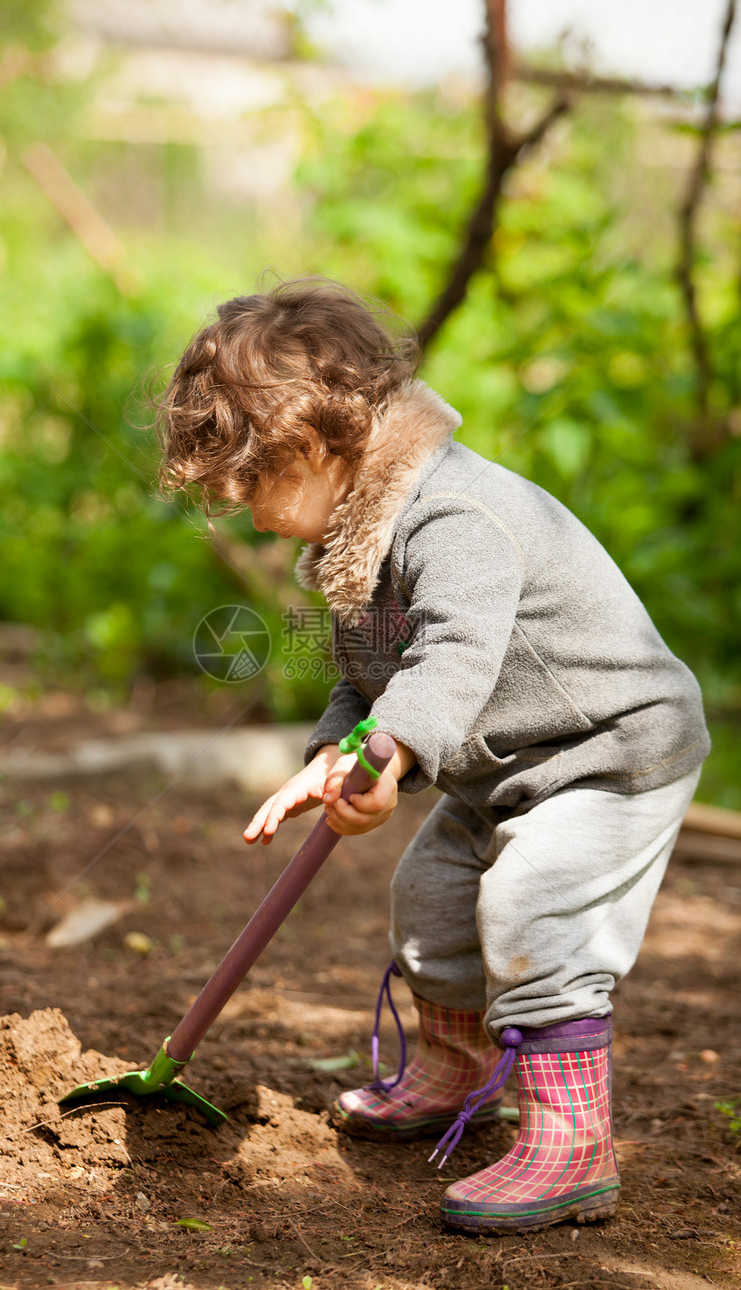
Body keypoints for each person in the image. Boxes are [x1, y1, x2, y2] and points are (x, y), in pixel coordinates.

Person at [154, 277, 709, 1235]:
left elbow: (451, 655)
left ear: (320, 445)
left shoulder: (457, 520)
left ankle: (574, 1144)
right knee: (430, 902)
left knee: (532, 908)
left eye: (251, 484)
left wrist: (392, 757)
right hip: (505, 767)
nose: (243, 510)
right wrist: (337, 750)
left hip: (611, 749)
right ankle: (456, 1075)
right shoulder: (352, 533)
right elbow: (371, 676)